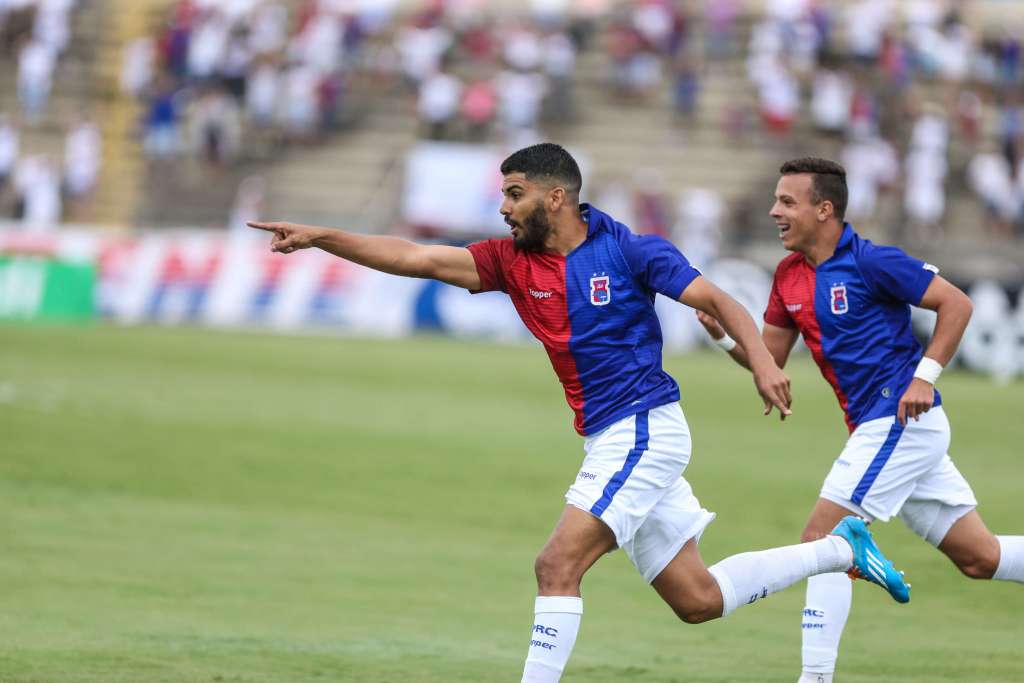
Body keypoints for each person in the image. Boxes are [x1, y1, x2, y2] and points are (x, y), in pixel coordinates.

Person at [249, 143, 910, 683]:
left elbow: (718, 297)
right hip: (610, 439)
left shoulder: (629, 251)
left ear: (555, 197)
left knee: (555, 565)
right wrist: (324, 237)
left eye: (515, 194)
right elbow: (418, 257)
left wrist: (764, 364)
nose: (503, 208)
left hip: (645, 429)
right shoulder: (510, 262)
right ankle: (836, 548)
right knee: (698, 599)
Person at [697, 157, 1024, 683]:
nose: (773, 211)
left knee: (822, 538)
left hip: (900, 419)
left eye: (787, 202)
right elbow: (770, 358)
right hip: (885, 431)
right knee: (978, 557)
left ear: (824, 209)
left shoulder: (873, 262)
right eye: (776, 200)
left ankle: (816, 678)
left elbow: (956, 304)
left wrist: (926, 376)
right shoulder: (788, 276)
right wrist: (725, 337)